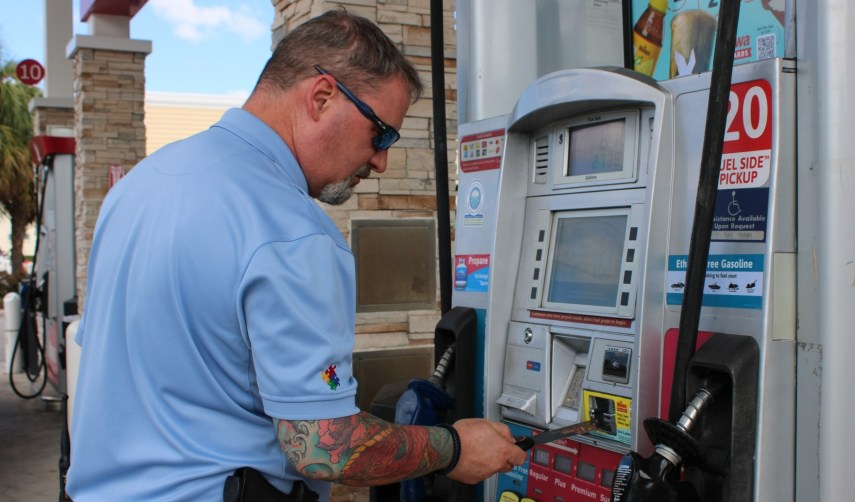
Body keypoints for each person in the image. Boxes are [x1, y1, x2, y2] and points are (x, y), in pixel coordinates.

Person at [66, 9, 527, 501]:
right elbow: (326, 448)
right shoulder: (292, 233)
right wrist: (455, 448)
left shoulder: (139, 186)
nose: (381, 161)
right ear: (322, 96)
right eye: (381, 134)